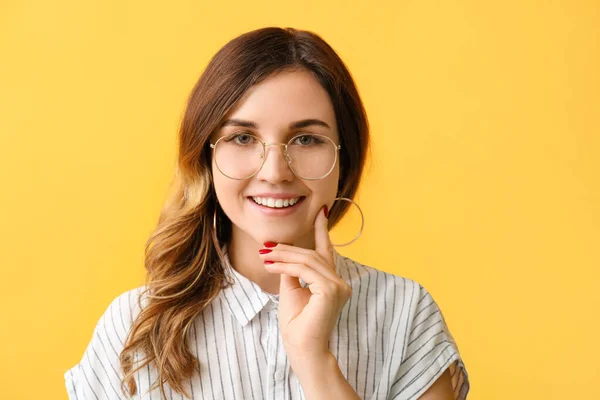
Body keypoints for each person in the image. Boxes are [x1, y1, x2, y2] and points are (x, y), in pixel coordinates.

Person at [65, 27, 470, 400]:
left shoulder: (404, 312)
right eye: (242, 137)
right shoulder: (133, 327)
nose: (275, 172)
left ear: (344, 156)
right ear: (205, 156)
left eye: (307, 138)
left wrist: (315, 361)